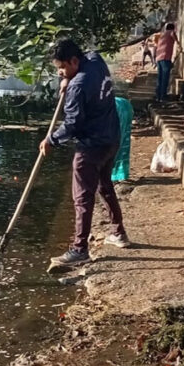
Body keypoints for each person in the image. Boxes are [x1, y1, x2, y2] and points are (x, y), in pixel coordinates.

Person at [40, 39, 131, 267]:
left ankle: (80, 249)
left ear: (74, 61)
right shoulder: (96, 61)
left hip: (91, 146)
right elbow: (84, 62)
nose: (61, 72)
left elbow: (72, 125)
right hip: (111, 138)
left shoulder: (78, 86)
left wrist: (51, 139)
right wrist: (66, 79)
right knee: (105, 185)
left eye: (62, 67)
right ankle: (118, 233)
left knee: (82, 197)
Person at [154, 23, 181, 102]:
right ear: (172, 28)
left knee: (160, 78)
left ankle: (158, 96)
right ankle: (163, 97)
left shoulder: (162, 35)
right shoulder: (171, 33)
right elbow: (173, 36)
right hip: (165, 58)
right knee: (165, 78)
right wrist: (179, 45)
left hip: (159, 58)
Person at [111, 96, 133, 182]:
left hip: (116, 109)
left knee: (113, 143)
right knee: (122, 141)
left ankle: (113, 174)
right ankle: (121, 173)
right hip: (125, 106)